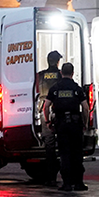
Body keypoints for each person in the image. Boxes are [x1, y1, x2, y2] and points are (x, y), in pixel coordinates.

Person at [44, 62, 89, 192]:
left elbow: (46, 106)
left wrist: (48, 122)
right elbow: (85, 108)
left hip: (62, 125)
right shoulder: (77, 88)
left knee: (64, 154)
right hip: (75, 125)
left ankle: (67, 184)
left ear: (61, 73)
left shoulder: (55, 88)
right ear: (72, 73)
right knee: (77, 154)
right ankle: (79, 183)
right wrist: (84, 123)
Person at [36, 50, 64, 184]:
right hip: (58, 110)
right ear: (58, 62)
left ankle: (51, 177)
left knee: (49, 146)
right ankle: (65, 175)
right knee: (64, 143)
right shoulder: (60, 75)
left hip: (44, 111)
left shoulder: (40, 75)